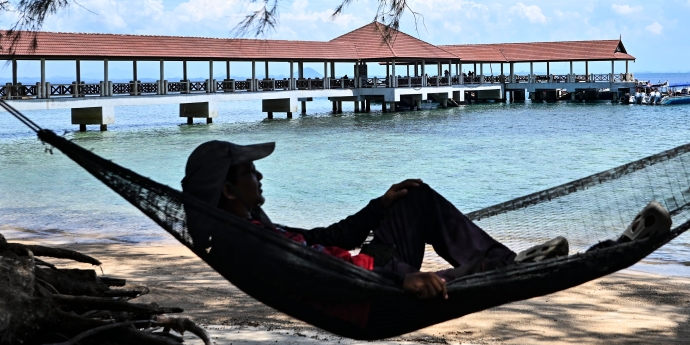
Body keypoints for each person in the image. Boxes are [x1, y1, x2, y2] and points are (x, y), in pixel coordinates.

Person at [181, 140, 569, 299]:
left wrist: (380, 205)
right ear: (229, 191)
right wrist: (401, 278)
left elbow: (326, 237)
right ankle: (503, 266)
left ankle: (503, 263)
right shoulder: (252, 241)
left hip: (372, 270)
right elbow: (322, 268)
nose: (260, 177)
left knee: (412, 196)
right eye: (250, 171)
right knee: (466, 274)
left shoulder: (255, 228)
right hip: (372, 287)